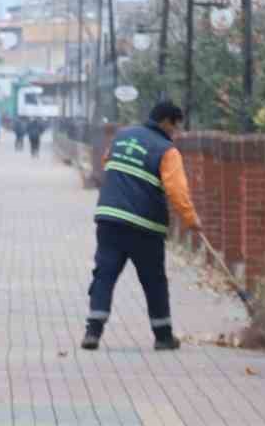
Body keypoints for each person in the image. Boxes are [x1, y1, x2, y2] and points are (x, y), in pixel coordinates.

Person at [82, 100, 198, 353]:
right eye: (176, 127)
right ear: (167, 122)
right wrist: (191, 220)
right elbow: (177, 191)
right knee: (153, 280)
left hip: (109, 218)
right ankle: (163, 336)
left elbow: (106, 162)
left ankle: (93, 332)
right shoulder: (167, 151)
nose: (176, 133)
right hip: (144, 226)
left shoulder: (122, 136)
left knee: (104, 275)